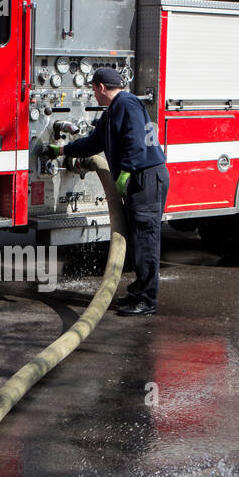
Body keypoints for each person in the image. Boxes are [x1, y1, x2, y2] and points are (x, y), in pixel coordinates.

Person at [51, 67, 169, 316]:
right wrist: (62, 151)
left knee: (145, 239)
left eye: (93, 89)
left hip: (145, 177)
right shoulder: (114, 111)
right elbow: (93, 143)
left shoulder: (127, 103)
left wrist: (126, 173)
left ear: (101, 88)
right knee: (137, 239)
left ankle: (147, 300)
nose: (93, 94)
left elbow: (135, 141)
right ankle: (139, 291)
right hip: (140, 177)